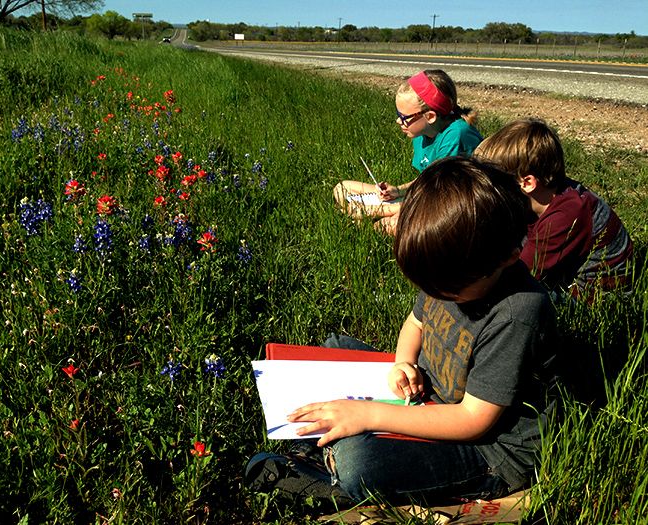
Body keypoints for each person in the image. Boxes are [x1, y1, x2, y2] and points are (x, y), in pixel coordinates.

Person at [245, 157, 559, 509]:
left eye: (448, 290)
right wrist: (404, 362)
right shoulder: (450, 269)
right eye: (430, 287)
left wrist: (370, 415)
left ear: (506, 258)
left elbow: (473, 420)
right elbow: (415, 323)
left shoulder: (518, 313)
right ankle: (327, 437)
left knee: (359, 464)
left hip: (488, 449)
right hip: (426, 392)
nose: (437, 295)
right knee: (334, 347)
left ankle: (326, 473)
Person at [474, 118, 633, 300]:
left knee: (516, 297)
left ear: (527, 183)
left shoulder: (565, 216)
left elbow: (520, 274)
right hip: (565, 274)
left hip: (592, 297)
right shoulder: (538, 200)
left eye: (496, 185)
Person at [333, 69, 483, 235]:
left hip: (454, 206)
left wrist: (384, 209)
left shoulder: (457, 135)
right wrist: (397, 190)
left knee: (386, 225)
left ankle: (362, 213)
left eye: (404, 117)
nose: (399, 121)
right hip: (428, 194)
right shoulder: (421, 132)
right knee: (342, 187)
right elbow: (428, 179)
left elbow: (443, 195)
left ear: (430, 116)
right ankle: (360, 212)